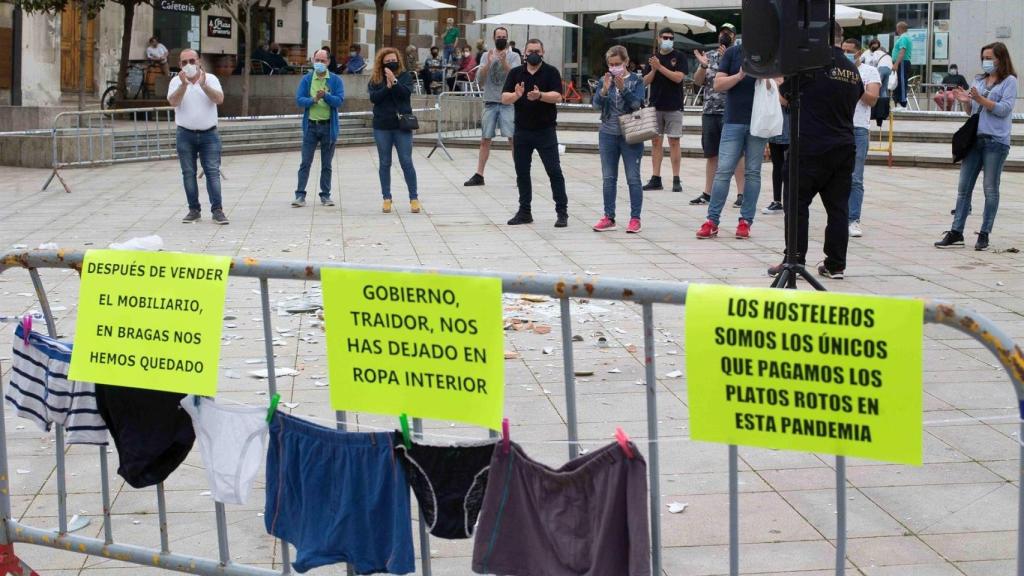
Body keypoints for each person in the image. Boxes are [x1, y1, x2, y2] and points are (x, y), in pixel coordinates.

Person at [768, 23, 863, 280]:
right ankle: (836, 264)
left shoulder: (809, 64)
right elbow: (856, 98)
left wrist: (780, 82)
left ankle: (795, 259)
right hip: (843, 146)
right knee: (838, 209)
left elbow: (788, 98)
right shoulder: (852, 70)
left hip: (809, 146)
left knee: (797, 204)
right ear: (840, 40)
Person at [936, 42, 1018, 251]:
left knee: (990, 189)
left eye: (990, 57)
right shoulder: (979, 80)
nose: (986, 62)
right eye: (983, 58)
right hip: (975, 139)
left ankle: (984, 233)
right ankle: (956, 231)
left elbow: (1004, 109)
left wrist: (981, 99)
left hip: (995, 141)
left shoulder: (1009, 81)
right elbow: (971, 111)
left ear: (1001, 58)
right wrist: (965, 101)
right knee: (964, 189)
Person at [695, 36, 767, 240]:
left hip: (759, 121)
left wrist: (766, 78)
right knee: (723, 170)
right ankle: (712, 220)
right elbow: (718, 84)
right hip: (734, 119)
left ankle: (745, 221)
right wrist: (740, 75)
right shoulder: (733, 53)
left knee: (753, 173)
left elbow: (779, 81)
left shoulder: (769, 53)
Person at [502, 39, 567, 227]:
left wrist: (540, 96)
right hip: (522, 131)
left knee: (554, 171)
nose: (533, 53)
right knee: (522, 172)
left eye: (537, 50)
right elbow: (504, 98)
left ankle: (562, 212)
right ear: (524, 53)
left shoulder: (551, 71)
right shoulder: (516, 73)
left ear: (543, 52)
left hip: (545, 130)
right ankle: (524, 212)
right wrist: (517, 95)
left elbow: (558, 96)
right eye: (530, 50)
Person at [167, 49, 228, 225]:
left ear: (199, 62)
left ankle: (217, 210)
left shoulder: (211, 79)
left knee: (212, 172)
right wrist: (183, 85)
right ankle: (194, 210)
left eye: (192, 61)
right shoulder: (175, 82)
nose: (189, 65)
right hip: (185, 134)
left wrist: (203, 85)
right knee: (188, 173)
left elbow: (219, 99)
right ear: (179, 65)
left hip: (209, 134)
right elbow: (173, 102)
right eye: (184, 62)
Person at [592, 45, 646, 234]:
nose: (614, 67)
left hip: (630, 134)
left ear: (626, 62)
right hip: (607, 133)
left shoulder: (636, 81)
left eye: (618, 64)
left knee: (633, 178)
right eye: (611, 64)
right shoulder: (603, 80)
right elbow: (596, 106)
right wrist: (604, 90)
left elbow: (636, 104)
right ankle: (609, 216)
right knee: (608, 178)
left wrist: (623, 89)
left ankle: (635, 218)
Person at [691, 23, 745, 206]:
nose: (724, 36)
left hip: (732, 112)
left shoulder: (739, 55)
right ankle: (708, 193)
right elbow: (698, 82)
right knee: (711, 154)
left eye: (728, 33)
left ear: (734, 36)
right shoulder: (710, 55)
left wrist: (726, 60)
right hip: (710, 111)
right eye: (722, 33)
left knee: (737, 154)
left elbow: (741, 80)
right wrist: (702, 65)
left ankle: (741, 194)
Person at [464, 27, 520, 187]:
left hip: (508, 103)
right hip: (490, 101)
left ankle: (520, 174)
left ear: (507, 38)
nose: (501, 38)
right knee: (485, 139)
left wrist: (503, 61)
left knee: (513, 139)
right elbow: (480, 80)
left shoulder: (514, 55)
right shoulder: (485, 55)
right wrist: (488, 63)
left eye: (504, 36)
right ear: (494, 38)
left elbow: (516, 75)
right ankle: (479, 174)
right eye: (499, 36)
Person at [368, 47, 420, 214]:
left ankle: (414, 198)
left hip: (401, 126)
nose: (391, 63)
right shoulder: (375, 78)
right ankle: (386, 198)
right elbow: (374, 98)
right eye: (388, 61)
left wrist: (395, 82)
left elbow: (406, 94)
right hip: (382, 126)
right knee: (384, 163)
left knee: (406, 161)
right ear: (382, 63)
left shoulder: (405, 76)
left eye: (393, 60)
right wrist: (387, 87)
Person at [292, 49, 345, 208]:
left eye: (323, 61)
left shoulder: (335, 80)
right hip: (311, 127)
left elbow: (339, 101)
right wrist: (313, 99)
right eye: (317, 60)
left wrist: (326, 96)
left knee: (326, 164)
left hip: (328, 127)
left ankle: (325, 195)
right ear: (313, 60)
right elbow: (299, 100)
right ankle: (300, 195)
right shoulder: (307, 79)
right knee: (305, 162)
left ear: (328, 62)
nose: (320, 64)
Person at [640, 27, 688, 193]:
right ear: (659, 38)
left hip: (674, 105)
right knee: (655, 142)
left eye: (671, 37)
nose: (668, 39)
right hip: (655, 104)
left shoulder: (679, 56)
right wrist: (653, 69)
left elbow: (678, 78)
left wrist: (660, 67)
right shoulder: (653, 58)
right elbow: (644, 82)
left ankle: (676, 178)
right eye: (665, 37)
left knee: (674, 141)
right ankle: (656, 177)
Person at [843, 38, 881, 238]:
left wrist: (857, 84)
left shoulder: (869, 72)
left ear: (859, 53)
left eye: (850, 51)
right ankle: (839, 215)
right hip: (839, 126)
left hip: (858, 128)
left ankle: (853, 218)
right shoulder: (837, 70)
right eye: (844, 50)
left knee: (855, 177)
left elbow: (872, 99)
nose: (846, 53)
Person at [762, 104, 789, 215]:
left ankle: (790, 200)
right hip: (775, 127)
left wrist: (776, 90)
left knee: (789, 168)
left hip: (788, 129)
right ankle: (777, 201)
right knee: (777, 166)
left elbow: (786, 102)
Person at [892, 21, 912, 107]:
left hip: (902, 63)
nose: (896, 30)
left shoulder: (904, 38)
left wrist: (896, 64)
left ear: (900, 28)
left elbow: (902, 51)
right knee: (898, 82)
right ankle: (898, 102)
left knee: (902, 82)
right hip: (901, 63)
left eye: (897, 28)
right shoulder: (903, 37)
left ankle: (903, 103)